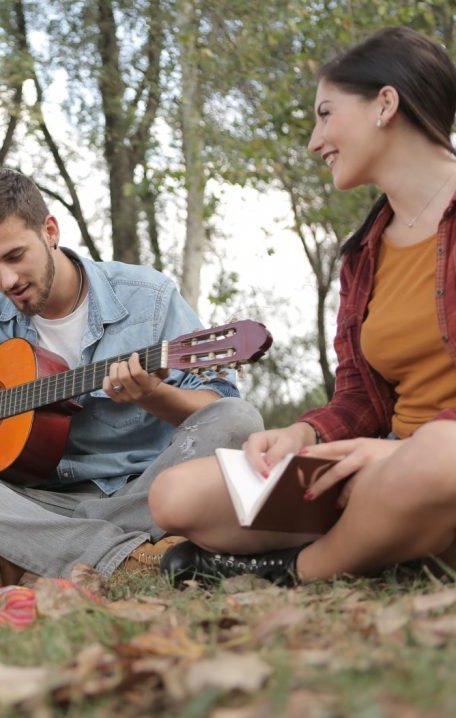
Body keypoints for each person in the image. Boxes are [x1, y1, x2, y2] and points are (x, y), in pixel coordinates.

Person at [0, 169, 263, 591]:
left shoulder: (149, 297)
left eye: (15, 256)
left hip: (147, 489)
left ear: (50, 231)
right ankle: (128, 554)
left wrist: (153, 395)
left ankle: (44, 555)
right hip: (43, 501)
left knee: (239, 420)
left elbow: (215, 405)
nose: (6, 280)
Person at [151, 26, 456, 585]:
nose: (315, 142)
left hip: (436, 463)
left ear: (385, 104)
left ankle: (301, 570)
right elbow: (362, 397)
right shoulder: (364, 254)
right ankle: (395, 541)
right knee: (177, 495)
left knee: (439, 456)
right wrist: (304, 436)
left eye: (325, 114)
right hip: (382, 467)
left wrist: (397, 457)